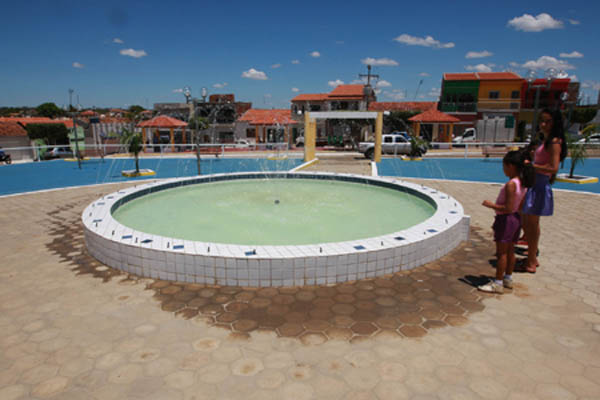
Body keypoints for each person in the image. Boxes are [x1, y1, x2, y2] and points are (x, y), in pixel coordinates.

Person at [479, 150, 535, 294]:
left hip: (506, 219)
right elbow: (519, 206)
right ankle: (508, 278)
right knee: (511, 251)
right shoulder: (523, 183)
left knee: (501, 253)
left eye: (504, 167)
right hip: (515, 219)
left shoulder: (511, 184)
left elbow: (507, 208)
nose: (503, 170)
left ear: (511, 166)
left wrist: (491, 205)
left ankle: (497, 283)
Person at [520, 109, 568, 273]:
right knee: (529, 222)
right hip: (535, 183)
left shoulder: (554, 142)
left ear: (555, 123)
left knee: (531, 224)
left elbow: (553, 167)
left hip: (539, 185)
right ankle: (532, 257)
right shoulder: (546, 140)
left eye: (547, 121)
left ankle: (531, 260)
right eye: (542, 120)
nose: (543, 124)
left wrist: (532, 166)